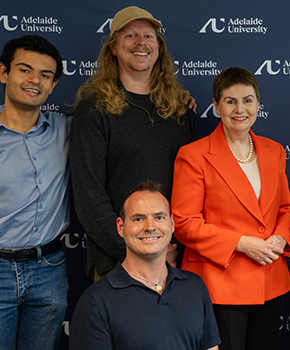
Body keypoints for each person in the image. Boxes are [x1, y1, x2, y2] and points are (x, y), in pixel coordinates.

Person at [172, 67, 290, 350]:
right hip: (221, 282)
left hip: (269, 276)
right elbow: (184, 222)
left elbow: (286, 209)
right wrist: (241, 243)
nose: (240, 109)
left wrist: (279, 237)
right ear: (216, 106)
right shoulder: (193, 155)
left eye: (248, 100)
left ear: (258, 104)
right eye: (230, 101)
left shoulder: (274, 150)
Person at [70, 5, 198, 280]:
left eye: (149, 36)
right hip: (117, 265)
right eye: (130, 35)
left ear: (159, 48)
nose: (141, 42)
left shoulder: (180, 111)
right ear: (114, 48)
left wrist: (171, 250)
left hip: (175, 263)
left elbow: (196, 190)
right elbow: (89, 197)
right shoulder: (93, 109)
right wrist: (139, 251)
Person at [69, 180, 221, 350]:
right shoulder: (96, 302)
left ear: (172, 224)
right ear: (121, 227)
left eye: (159, 217)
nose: (150, 226)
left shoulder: (195, 287)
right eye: (138, 219)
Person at [0, 35, 69, 350]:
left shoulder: (67, 130)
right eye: (24, 70)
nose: (34, 81)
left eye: (45, 75)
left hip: (49, 270)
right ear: (4, 73)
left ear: (53, 85)